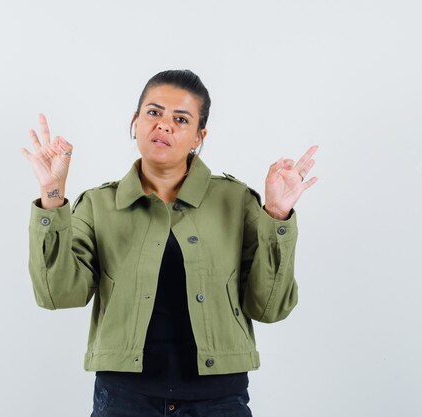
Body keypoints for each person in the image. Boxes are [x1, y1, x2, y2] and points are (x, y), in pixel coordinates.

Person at [22, 69, 318, 417]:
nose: (163, 125)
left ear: (198, 136)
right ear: (135, 121)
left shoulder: (237, 202)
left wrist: (278, 216)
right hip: (123, 399)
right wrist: (52, 197)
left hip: (219, 400)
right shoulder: (98, 205)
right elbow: (57, 294)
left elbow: (270, 307)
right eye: (153, 112)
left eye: (180, 118)